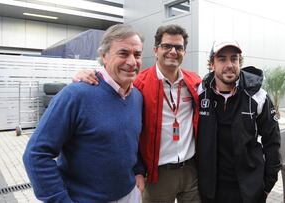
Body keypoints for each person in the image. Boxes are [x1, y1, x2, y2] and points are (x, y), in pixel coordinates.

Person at [73, 24, 201, 203]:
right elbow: (112, 85)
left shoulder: (195, 82)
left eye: (179, 47)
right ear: (156, 50)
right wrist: (88, 74)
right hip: (157, 174)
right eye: (166, 46)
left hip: (190, 169)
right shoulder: (138, 84)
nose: (173, 51)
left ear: (184, 52)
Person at [22, 24, 145, 203]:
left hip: (130, 194)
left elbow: (132, 141)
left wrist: (138, 171)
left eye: (137, 54)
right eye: (123, 53)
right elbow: (36, 154)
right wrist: (59, 199)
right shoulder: (75, 95)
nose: (132, 62)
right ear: (104, 56)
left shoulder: (137, 97)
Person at [196, 40, 282, 203]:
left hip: (248, 191)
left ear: (239, 62)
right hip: (210, 190)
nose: (229, 64)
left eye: (234, 59)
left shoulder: (258, 96)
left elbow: (272, 142)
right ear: (212, 64)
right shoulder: (200, 93)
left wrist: (267, 185)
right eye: (222, 59)